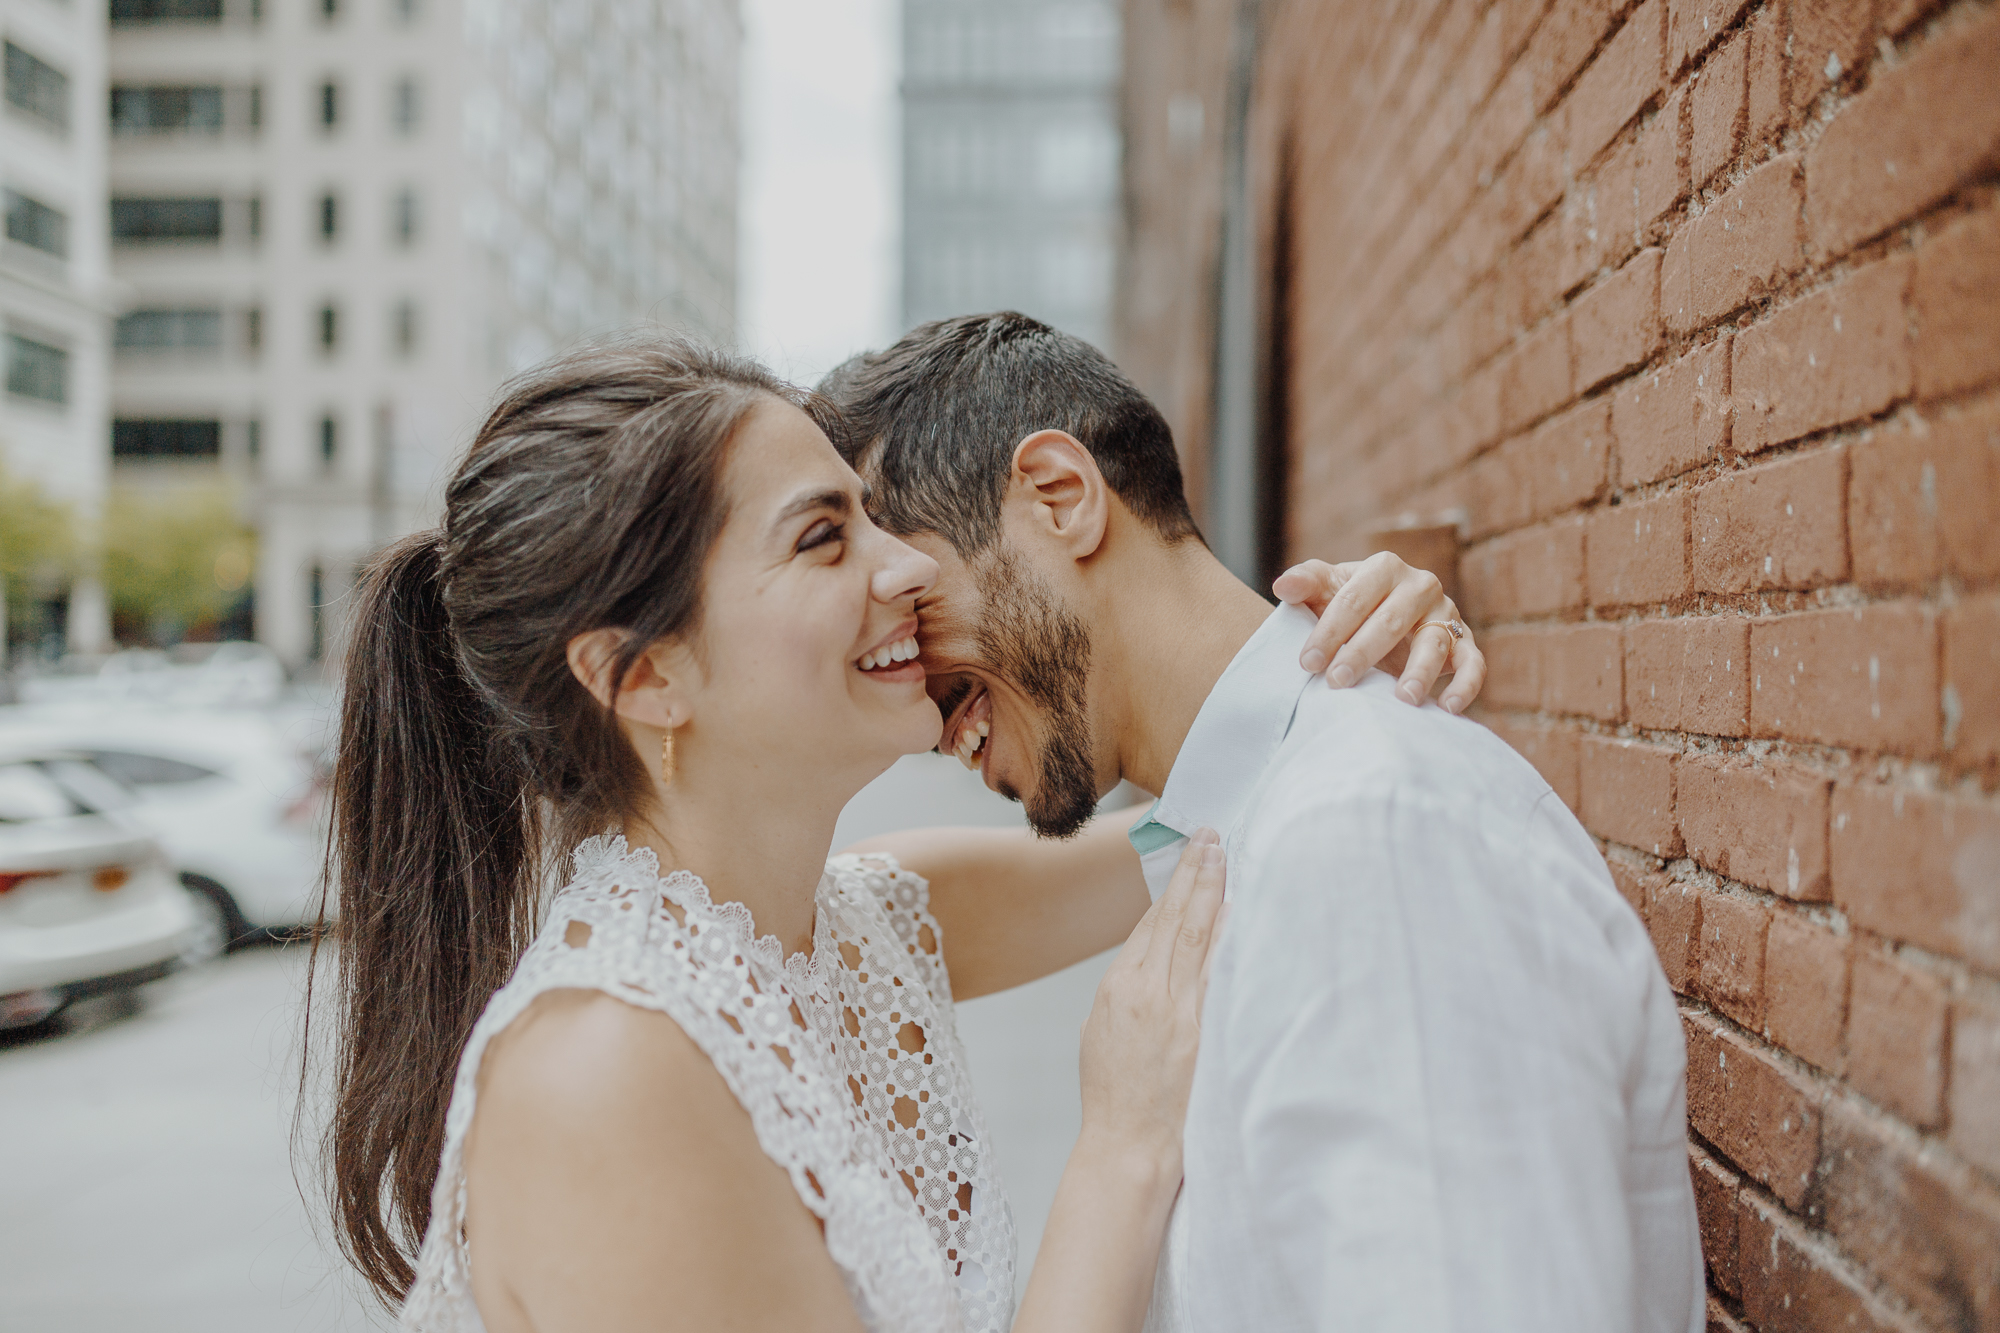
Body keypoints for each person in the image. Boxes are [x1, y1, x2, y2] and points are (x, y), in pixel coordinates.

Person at [312, 336, 1481, 1332]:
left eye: (873, 516)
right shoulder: (604, 1075)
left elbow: (1207, 822)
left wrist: (1344, 646)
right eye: (825, 538)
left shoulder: (862, 925)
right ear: (646, 674)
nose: (907, 563)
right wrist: (1120, 1152)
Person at [821, 312, 1705, 1333]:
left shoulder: (1369, 835)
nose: (916, 698)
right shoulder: (1257, 824)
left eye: (909, 595)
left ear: (1058, 498)